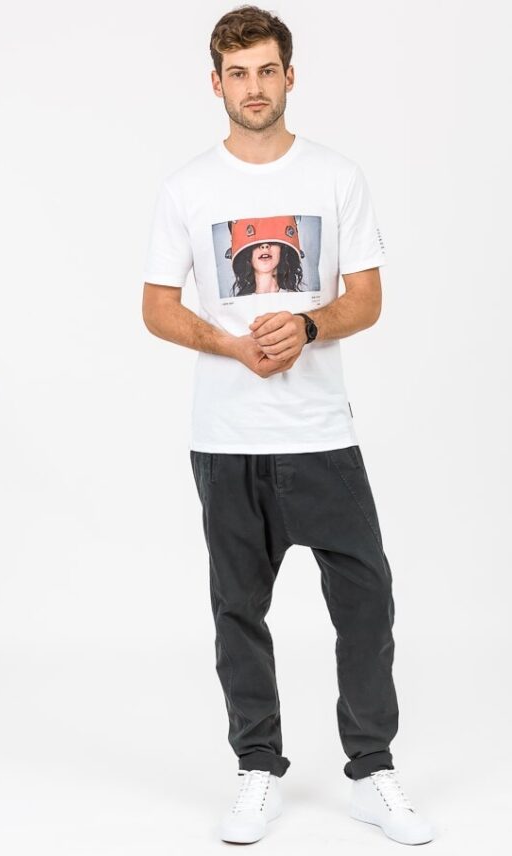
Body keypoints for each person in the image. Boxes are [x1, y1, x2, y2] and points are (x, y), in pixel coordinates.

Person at [141, 4, 435, 847]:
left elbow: (366, 299)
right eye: (238, 73)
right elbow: (157, 307)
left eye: (266, 70)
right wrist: (230, 343)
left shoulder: (336, 176)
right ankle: (257, 769)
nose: (254, 87)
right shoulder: (188, 188)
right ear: (216, 83)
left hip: (322, 436)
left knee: (367, 604)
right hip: (226, 439)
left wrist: (306, 325)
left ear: (290, 76)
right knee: (238, 610)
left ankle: (371, 772)